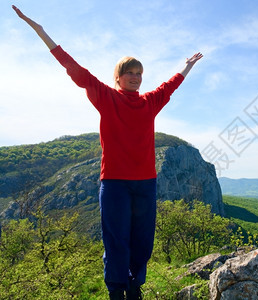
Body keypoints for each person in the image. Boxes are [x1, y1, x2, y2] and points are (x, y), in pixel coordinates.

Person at [12, 5, 203, 300]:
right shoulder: (106, 98)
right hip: (114, 183)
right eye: (130, 72)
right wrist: (40, 31)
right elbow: (75, 69)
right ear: (119, 76)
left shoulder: (150, 102)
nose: (136, 77)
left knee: (142, 242)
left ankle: (134, 285)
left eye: (139, 73)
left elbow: (171, 85)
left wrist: (187, 65)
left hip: (145, 184)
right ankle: (116, 290)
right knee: (116, 242)